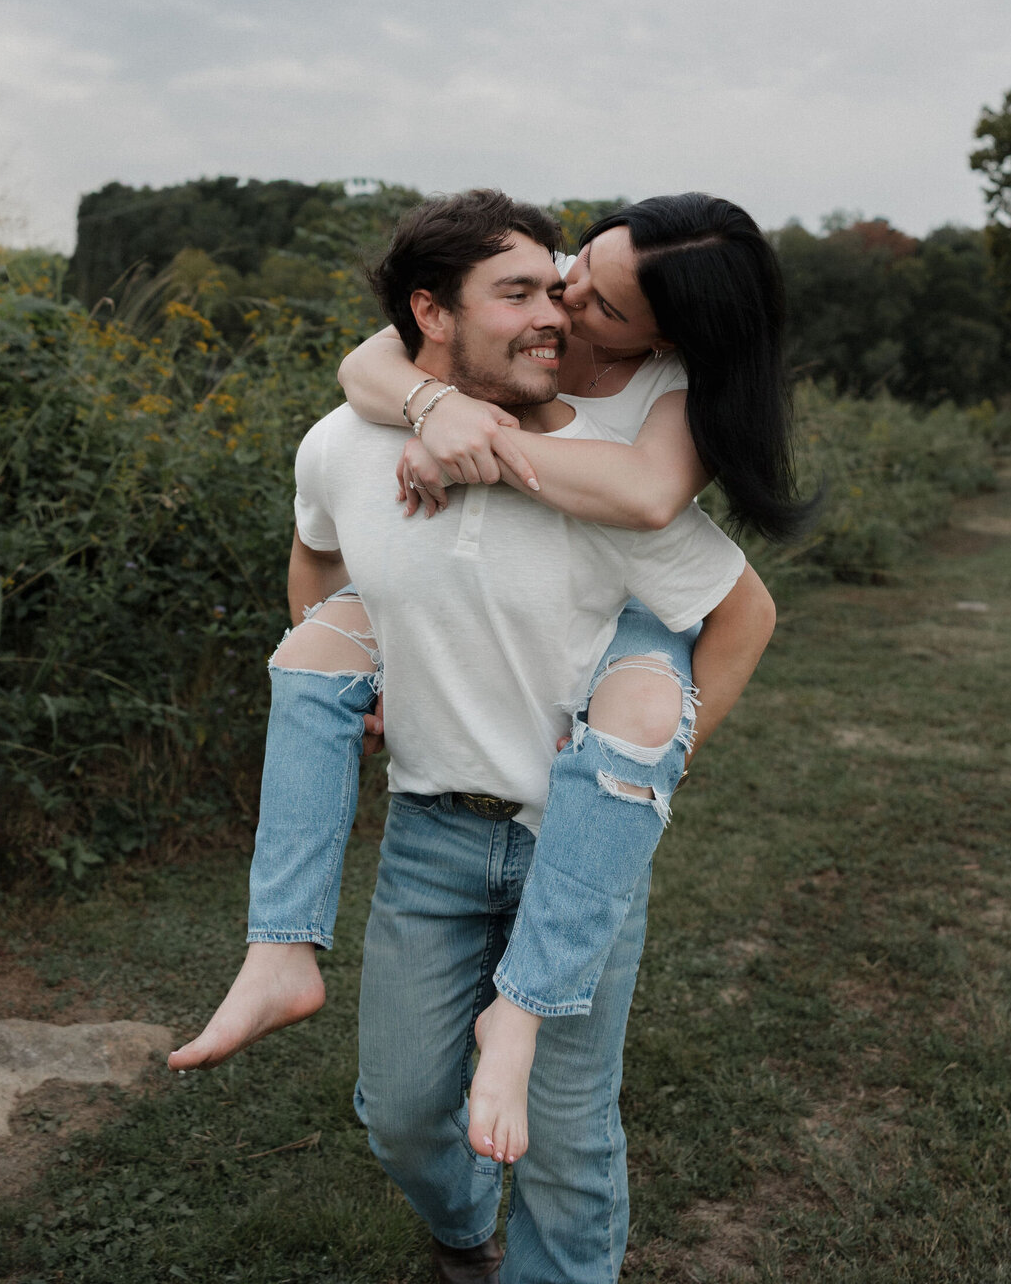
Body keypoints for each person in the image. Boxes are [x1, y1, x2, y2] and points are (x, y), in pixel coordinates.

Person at [174, 190, 778, 1283]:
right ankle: (461, 1226)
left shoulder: (637, 438)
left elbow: (673, 532)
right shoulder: (360, 432)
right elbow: (326, 531)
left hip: (570, 840)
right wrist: (422, 415)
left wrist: (646, 781)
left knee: (568, 1136)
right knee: (402, 1113)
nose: (564, 300)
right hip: (433, 836)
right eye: (553, 272)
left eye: (587, 295)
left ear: (661, 336)